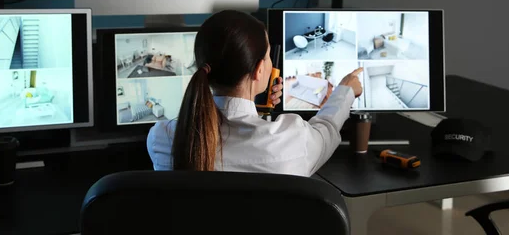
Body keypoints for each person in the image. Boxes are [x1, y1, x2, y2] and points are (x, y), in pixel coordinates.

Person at [147, 10, 363, 176]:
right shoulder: (291, 141)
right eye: (268, 55)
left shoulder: (161, 138)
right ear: (259, 70)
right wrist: (346, 89)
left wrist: (255, 103)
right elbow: (326, 130)